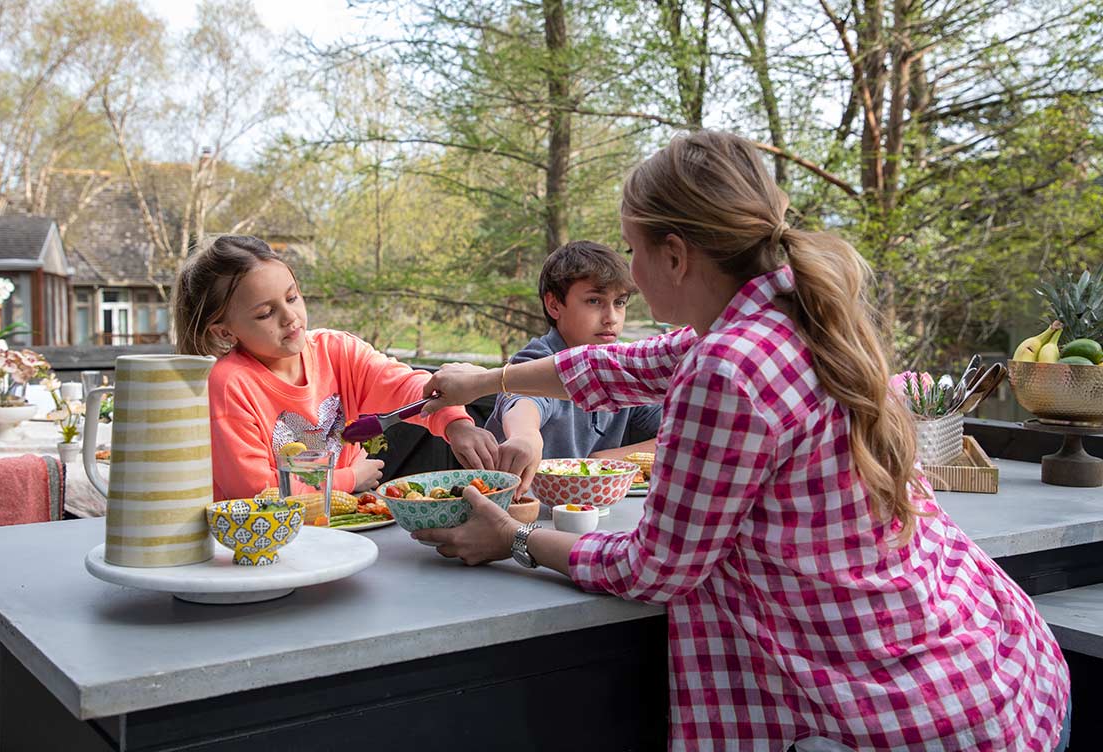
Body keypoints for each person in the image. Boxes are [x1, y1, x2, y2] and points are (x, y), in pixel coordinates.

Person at [415, 131, 1070, 750]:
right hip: (997, 667)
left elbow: (656, 568)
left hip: (900, 717)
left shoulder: (728, 366)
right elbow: (625, 366)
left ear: (675, 255)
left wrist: (514, 539)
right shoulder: (794, 308)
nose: (631, 275)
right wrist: (484, 378)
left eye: (634, 250)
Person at [171, 235, 498, 500]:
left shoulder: (336, 351)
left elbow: (402, 385)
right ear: (225, 330)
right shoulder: (228, 385)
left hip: (338, 530)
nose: (290, 317)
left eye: (292, 297)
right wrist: (348, 479)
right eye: (264, 314)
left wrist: (456, 424)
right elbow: (256, 492)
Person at [485, 240, 661, 490]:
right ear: (554, 304)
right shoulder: (538, 358)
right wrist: (525, 436)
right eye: (594, 301)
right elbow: (524, 400)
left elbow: (681, 433)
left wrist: (606, 459)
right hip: (526, 508)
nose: (611, 318)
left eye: (619, 303)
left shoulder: (620, 366)